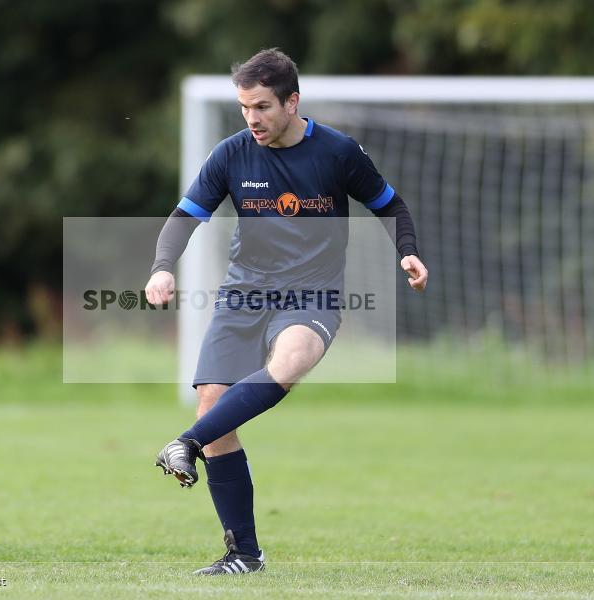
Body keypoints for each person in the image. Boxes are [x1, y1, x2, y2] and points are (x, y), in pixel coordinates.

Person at [145, 48, 428, 576]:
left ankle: (183, 444)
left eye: (261, 106)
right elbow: (185, 216)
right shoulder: (231, 154)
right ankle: (244, 555)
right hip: (245, 292)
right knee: (213, 404)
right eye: (243, 107)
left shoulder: (338, 152)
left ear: (291, 102)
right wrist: (163, 266)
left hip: (312, 292)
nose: (251, 118)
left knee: (292, 357)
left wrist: (406, 249)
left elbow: (389, 204)